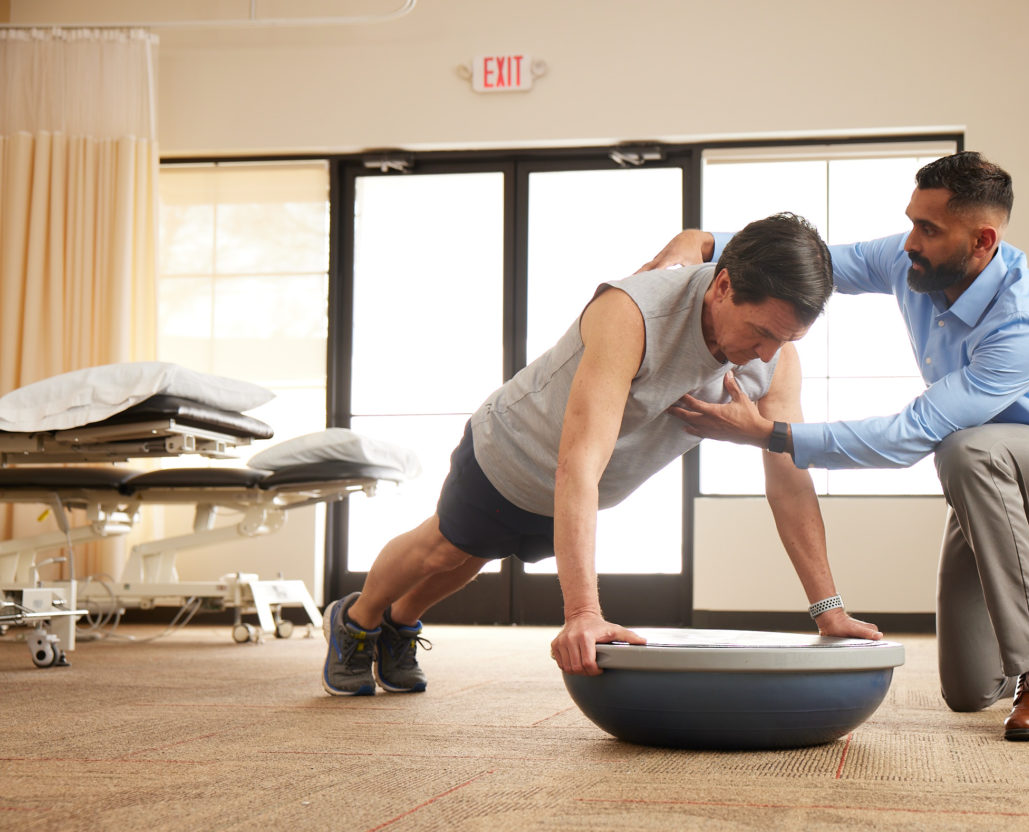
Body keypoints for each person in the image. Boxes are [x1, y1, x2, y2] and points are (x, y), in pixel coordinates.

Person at [650, 152, 1029, 741]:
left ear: (982, 240)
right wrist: (705, 240)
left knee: (963, 449)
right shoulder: (908, 260)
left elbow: (914, 434)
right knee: (969, 690)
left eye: (929, 229)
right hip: (987, 482)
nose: (910, 242)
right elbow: (817, 263)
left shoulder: (1026, 323)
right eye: (911, 221)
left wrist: (772, 434)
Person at [322, 212, 883, 697]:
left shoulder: (775, 360)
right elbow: (579, 462)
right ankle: (358, 620)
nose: (766, 353)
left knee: (472, 559)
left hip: (575, 498)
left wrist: (827, 610)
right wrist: (583, 613)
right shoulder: (634, 312)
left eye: (785, 339)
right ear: (722, 287)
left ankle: (400, 621)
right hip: (515, 453)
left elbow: (789, 482)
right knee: (446, 548)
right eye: (761, 331)